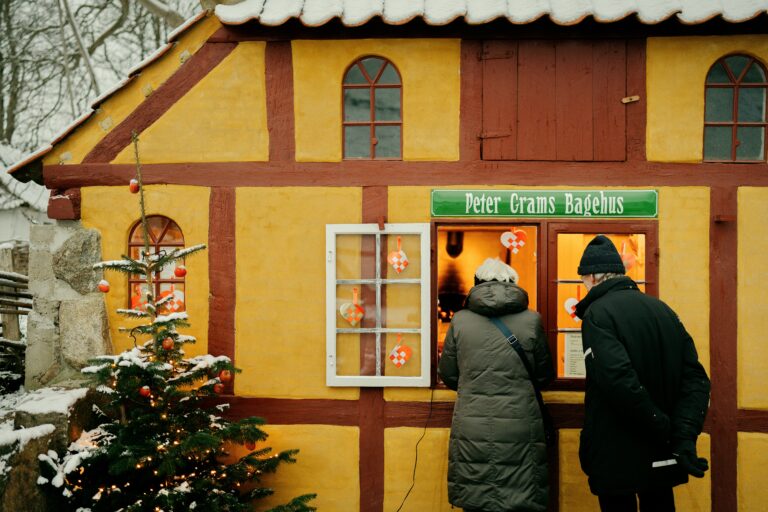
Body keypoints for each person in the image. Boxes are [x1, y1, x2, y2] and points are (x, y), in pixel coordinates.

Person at [574, 235, 711, 512]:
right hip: (662, 453)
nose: (584, 285)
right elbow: (695, 379)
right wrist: (682, 436)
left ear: (592, 276)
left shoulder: (598, 314)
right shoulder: (664, 311)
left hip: (616, 453)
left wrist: (662, 425)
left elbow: (617, 381)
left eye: (583, 278)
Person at [438, 257, 554, 512]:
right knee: (520, 495)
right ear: (513, 284)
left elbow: (448, 374)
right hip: (521, 422)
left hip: (472, 422)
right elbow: (545, 374)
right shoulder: (532, 320)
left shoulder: (460, 321)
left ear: (477, 284)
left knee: (476, 494)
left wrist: (474, 386)